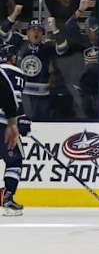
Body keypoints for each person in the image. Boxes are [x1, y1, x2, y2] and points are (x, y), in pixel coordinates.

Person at [0, 45, 31, 216]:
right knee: (14, 161)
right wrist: (21, 119)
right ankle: (8, 199)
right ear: (13, 58)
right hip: (3, 124)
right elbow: (13, 98)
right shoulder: (14, 72)